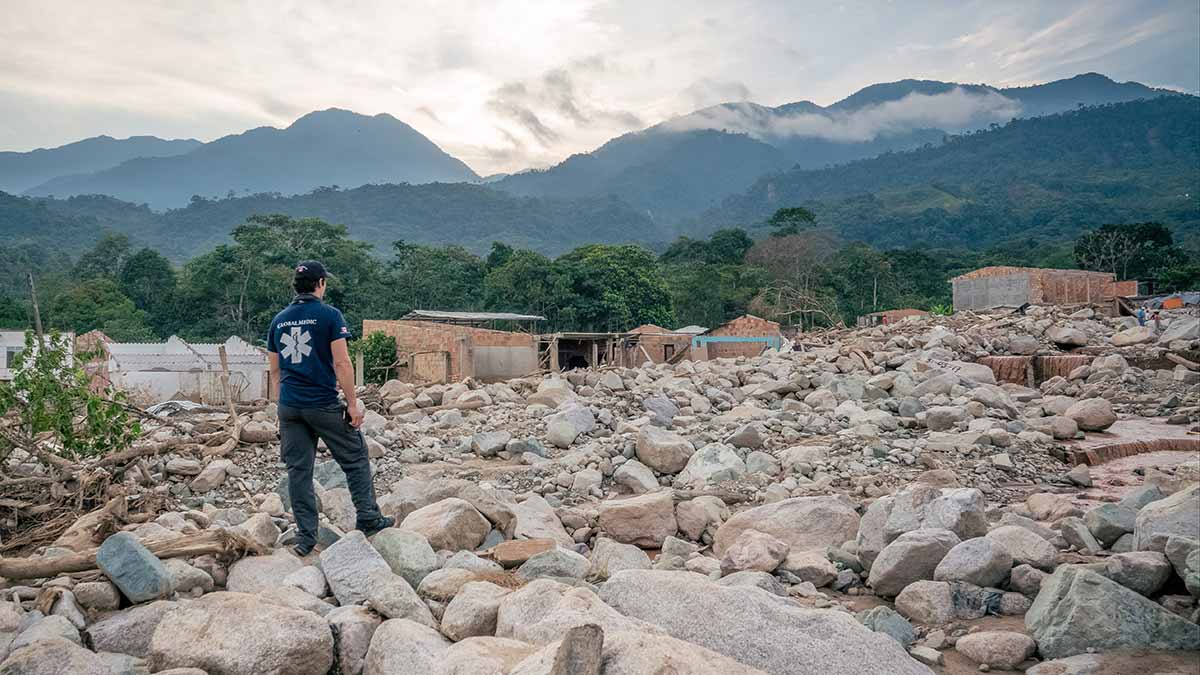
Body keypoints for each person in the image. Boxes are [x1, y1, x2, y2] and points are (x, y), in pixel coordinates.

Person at [267, 261, 392, 556]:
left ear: (295, 287)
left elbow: (274, 371)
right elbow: (342, 363)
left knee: (299, 471)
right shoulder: (329, 316)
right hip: (321, 403)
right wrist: (352, 403)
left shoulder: (278, 320)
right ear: (320, 283)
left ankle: (305, 538)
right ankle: (368, 517)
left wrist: (282, 406)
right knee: (355, 457)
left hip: (290, 406)